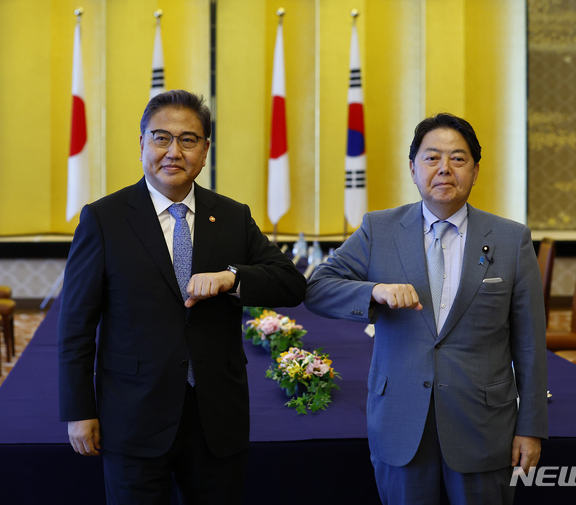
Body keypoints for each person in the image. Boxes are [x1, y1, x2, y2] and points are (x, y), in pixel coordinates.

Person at [57, 89, 306, 505]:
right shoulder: (104, 219)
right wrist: (79, 411)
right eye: (161, 137)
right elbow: (75, 326)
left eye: (188, 139)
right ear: (141, 145)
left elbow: (291, 284)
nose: (174, 151)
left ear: (205, 150)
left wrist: (232, 278)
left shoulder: (231, 216)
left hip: (216, 418)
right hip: (134, 416)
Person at [304, 113, 547, 504]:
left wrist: (532, 426)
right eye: (432, 158)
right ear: (413, 168)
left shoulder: (510, 238)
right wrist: (375, 291)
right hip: (400, 420)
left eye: (458, 158)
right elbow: (316, 288)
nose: (444, 169)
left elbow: (531, 343)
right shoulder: (378, 229)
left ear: (476, 170)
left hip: (483, 425)